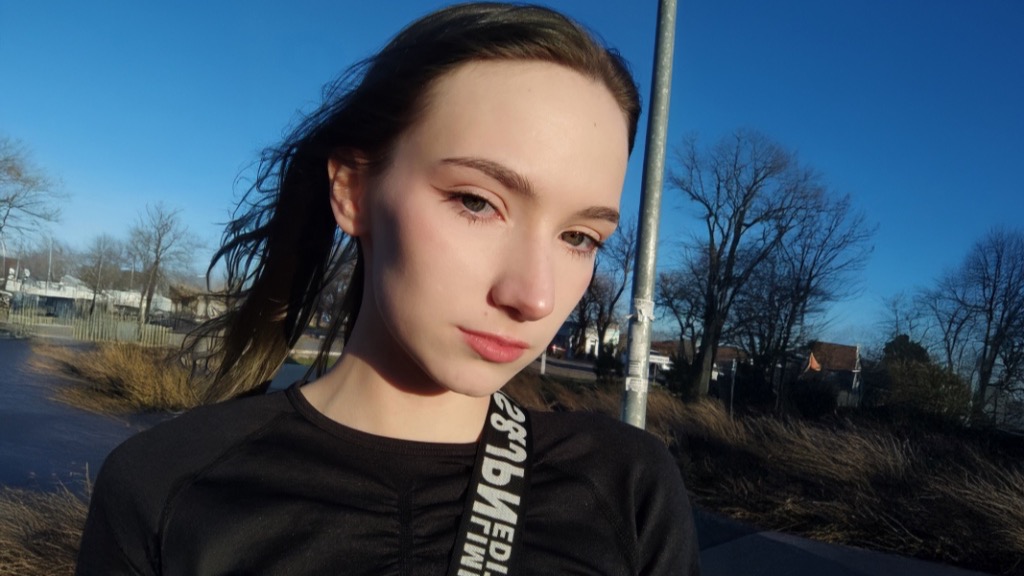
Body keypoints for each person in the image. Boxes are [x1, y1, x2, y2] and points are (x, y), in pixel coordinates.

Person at [75, 3, 701, 575]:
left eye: (580, 237)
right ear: (352, 190)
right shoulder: (164, 490)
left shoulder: (628, 490)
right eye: (476, 202)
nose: (533, 297)